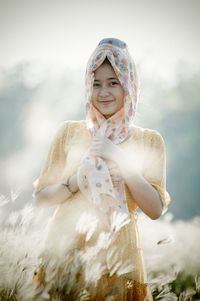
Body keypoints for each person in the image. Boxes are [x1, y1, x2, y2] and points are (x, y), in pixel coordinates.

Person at [32, 38, 170, 301]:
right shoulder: (69, 133)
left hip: (119, 260)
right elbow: (40, 200)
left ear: (129, 86)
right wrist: (74, 181)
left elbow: (154, 209)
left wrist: (119, 158)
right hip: (66, 255)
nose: (103, 92)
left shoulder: (149, 140)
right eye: (96, 84)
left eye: (113, 82)